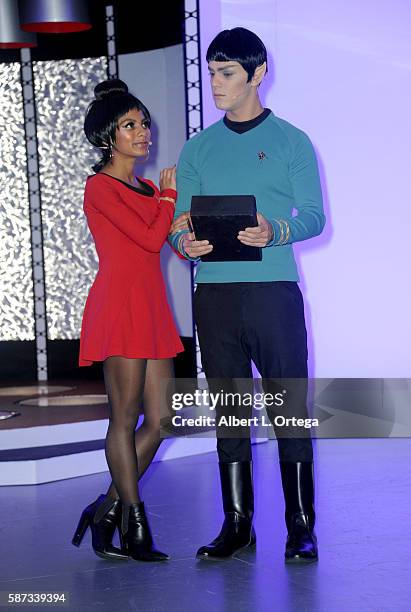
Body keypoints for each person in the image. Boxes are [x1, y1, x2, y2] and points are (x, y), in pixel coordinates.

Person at [169, 27, 325, 563]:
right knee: (230, 413)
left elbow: (314, 216)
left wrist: (275, 230)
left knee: (289, 410)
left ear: (258, 74)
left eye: (226, 73)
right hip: (213, 297)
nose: (215, 82)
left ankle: (300, 527)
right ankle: (238, 525)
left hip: (273, 294)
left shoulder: (292, 141)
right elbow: (177, 224)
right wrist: (183, 242)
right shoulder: (197, 149)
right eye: (211, 72)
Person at [72, 79, 183, 562]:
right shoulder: (100, 186)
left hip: (153, 307)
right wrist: (169, 197)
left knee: (162, 419)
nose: (144, 133)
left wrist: (165, 202)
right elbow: (149, 238)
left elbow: (159, 234)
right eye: (130, 126)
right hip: (119, 307)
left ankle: (106, 508)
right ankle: (135, 525)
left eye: (144, 124)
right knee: (125, 417)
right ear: (107, 137)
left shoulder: (143, 186)